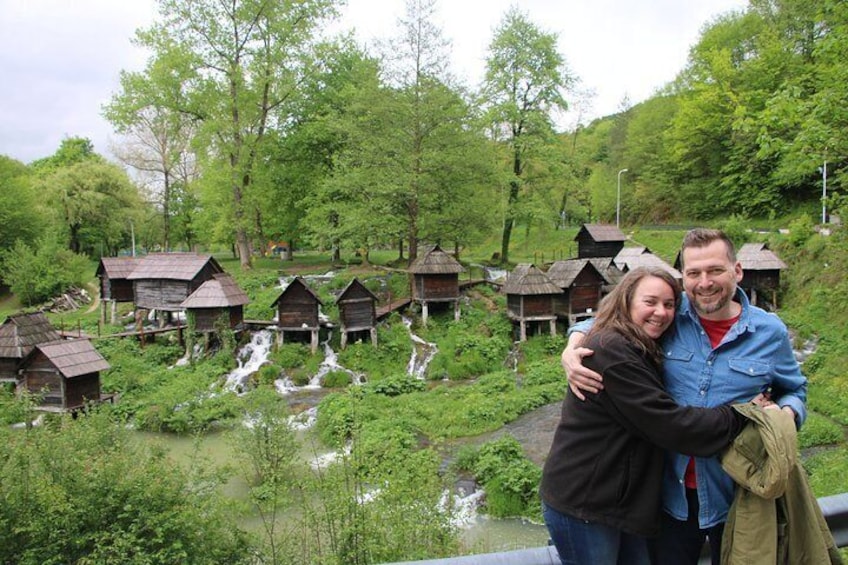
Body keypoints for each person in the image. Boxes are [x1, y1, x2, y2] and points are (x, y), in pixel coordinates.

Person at [562, 228, 807, 565]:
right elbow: (612, 319)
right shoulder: (669, 317)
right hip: (666, 496)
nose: (704, 282)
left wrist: (788, 415)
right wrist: (574, 344)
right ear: (684, 278)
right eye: (694, 273)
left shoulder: (770, 332)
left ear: (737, 271)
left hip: (736, 495)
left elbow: (794, 388)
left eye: (715, 270)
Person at [540, 266, 752, 565]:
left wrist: (576, 336)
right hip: (586, 503)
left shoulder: (639, 342)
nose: (661, 313)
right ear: (626, 301)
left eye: (669, 305)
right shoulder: (612, 352)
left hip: (620, 501)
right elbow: (670, 425)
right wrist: (740, 414)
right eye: (650, 302)